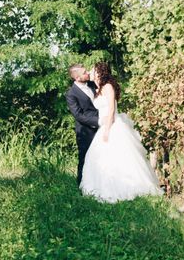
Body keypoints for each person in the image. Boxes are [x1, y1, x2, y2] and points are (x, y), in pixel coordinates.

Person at [79, 62, 163, 203]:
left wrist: (107, 130)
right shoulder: (98, 89)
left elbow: (111, 109)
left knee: (121, 156)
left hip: (113, 125)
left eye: (93, 70)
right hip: (104, 125)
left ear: (99, 72)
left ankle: (131, 187)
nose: (90, 72)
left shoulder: (108, 87)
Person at [65, 64, 99, 186]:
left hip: (103, 127)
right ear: (77, 78)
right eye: (85, 72)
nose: (88, 73)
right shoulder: (71, 94)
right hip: (86, 131)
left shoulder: (92, 84)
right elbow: (79, 115)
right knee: (84, 157)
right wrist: (99, 122)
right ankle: (81, 185)